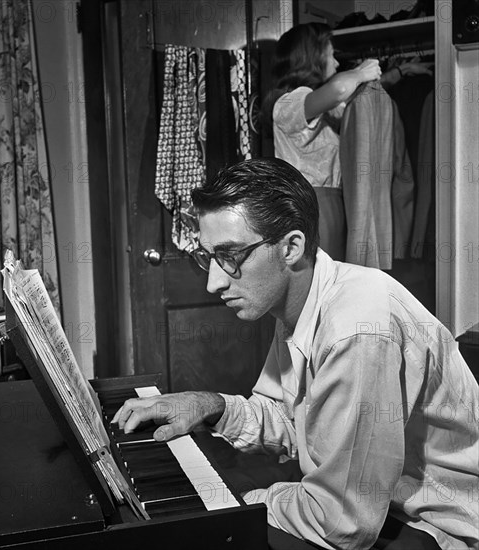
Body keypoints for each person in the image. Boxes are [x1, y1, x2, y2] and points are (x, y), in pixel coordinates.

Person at [113, 158, 479, 550]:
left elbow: (343, 522)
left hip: (436, 525)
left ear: (291, 247)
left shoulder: (354, 328)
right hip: (378, 506)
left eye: (230, 256)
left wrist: (242, 505)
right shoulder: (302, 300)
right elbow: (292, 420)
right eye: (208, 257)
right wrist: (212, 406)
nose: (213, 282)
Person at [262, 23, 433, 261]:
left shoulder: (317, 107)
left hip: (332, 205)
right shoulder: (289, 102)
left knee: (334, 282)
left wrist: (401, 72)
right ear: (311, 57)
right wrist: (361, 72)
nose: (337, 62)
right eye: (331, 54)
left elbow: (353, 99)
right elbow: (341, 89)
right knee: (320, 282)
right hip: (310, 206)